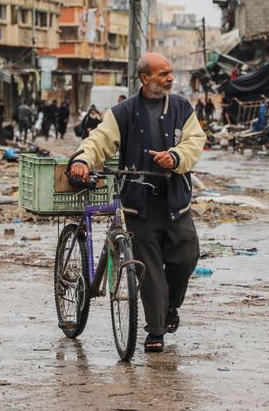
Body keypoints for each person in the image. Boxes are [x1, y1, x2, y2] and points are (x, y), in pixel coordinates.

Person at [70, 53, 206, 353]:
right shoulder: (123, 112)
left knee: (187, 255)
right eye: (163, 74)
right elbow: (99, 141)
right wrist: (82, 160)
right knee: (150, 268)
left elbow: (195, 141)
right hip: (138, 204)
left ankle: (171, 307)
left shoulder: (181, 107)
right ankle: (155, 331)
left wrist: (175, 157)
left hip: (175, 200)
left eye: (170, 73)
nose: (170, 78)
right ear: (145, 79)